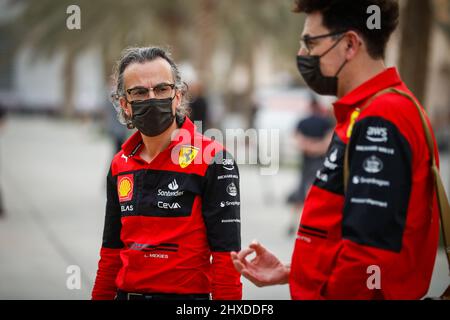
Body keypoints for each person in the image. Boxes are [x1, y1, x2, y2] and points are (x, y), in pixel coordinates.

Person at [232, 0, 442, 299]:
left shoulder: (381, 117)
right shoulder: (370, 112)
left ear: (350, 45)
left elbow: (368, 258)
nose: (302, 54)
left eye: (309, 42)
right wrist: (296, 272)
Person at [92, 47, 242, 300]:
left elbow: (226, 259)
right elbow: (110, 253)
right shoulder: (120, 163)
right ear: (124, 104)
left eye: (161, 89)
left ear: (178, 95)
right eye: (140, 92)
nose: (152, 98)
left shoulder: (214, 159)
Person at [286, 95, 333, 235]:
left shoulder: (303, 121)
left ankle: (292, 224)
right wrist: (316, 147)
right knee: (316, 194)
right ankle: (312, 225)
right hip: (320, 161)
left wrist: (306, 146)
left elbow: (296, 139)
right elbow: (327, 143)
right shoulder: (327, 122)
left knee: (300, 193)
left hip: (305, 161)